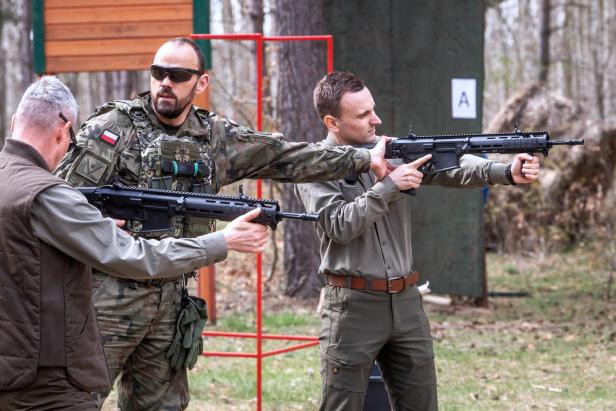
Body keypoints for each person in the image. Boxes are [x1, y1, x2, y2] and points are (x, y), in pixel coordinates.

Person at [55, 38, 390, 409]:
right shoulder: (113, 128)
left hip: (171, 301)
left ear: (200, 83)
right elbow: (61, 201)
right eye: (158, 72)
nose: (165, 82)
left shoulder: (214, 137)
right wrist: (97, 224)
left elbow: (287, 157)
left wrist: (363, 160)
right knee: (75, 401)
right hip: (106, 300)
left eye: (178, 75)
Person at [0, 76, 271, 410]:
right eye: (70, 141)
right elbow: (135, 257)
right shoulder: (49, 194)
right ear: (63, 130)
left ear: (15, 122)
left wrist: (86, 226)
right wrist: (221, 241)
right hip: (43, 383)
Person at [295, 71, 541, 411]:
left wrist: (505, 171)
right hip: (352, 306)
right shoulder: (314, 165)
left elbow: (450, 165)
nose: (376, 120)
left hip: (406, 301)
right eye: (363, 115)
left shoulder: (393, 150)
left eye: (374, 109)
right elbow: (339, 225)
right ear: (332, 121)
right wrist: (389, 186)